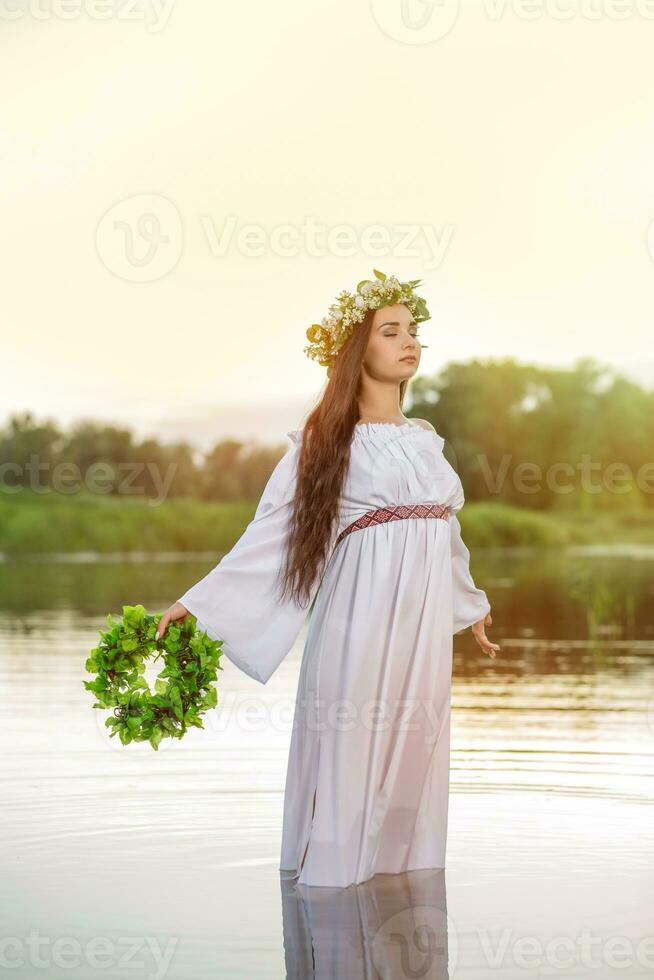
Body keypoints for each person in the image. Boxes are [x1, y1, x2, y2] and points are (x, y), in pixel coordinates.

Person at [156, 270, 500, 888]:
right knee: (351, 746)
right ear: (355, 351)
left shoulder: (424, 440)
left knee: (414, 748)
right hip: (358, 622)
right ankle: (333, 895)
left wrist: (470, 603)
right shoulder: (325, 441)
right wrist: (197, 605)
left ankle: (402, 896)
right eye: (389, 331)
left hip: (419, 633)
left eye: (413, 331)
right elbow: (272, 534)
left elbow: (443, 531)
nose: (408, 341)